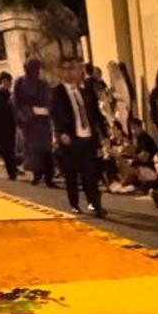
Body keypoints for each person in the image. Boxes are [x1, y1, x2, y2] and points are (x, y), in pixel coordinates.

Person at [51, 58, 107, 215]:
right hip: (70, 138)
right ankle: (74, 203)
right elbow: (55, 115)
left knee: (90, 173)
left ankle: (95, 204)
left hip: (88, 137)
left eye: (74, 68)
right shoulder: (57, 92)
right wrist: (61, 133)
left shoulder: (86, 90)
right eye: (67, 68)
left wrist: (103, 134)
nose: (71, 72)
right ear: (61, 72)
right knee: (72, 174)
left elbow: (95, 114)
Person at [13, 57, 57, 186]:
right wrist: (21, 116)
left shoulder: (43, 84)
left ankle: (49, 176)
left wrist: (47, 111)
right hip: (29, 122)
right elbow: (16, 102)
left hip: (42, 121)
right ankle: (37, 174)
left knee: (46, 149)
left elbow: (49, 101)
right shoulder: (20, 83)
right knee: (32, 150)